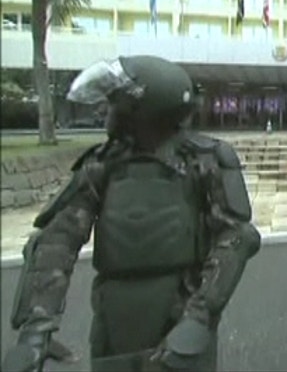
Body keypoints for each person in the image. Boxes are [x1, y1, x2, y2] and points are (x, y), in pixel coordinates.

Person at [2, 55, 262, 372]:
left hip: (179, 311)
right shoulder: (102, 163)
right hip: (113, 319)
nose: (104, 110)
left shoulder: (203, 161)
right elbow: (57, 239)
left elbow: (236, 236)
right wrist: (36, 328)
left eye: (115, 103)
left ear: (146, 110)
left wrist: (200, 316)